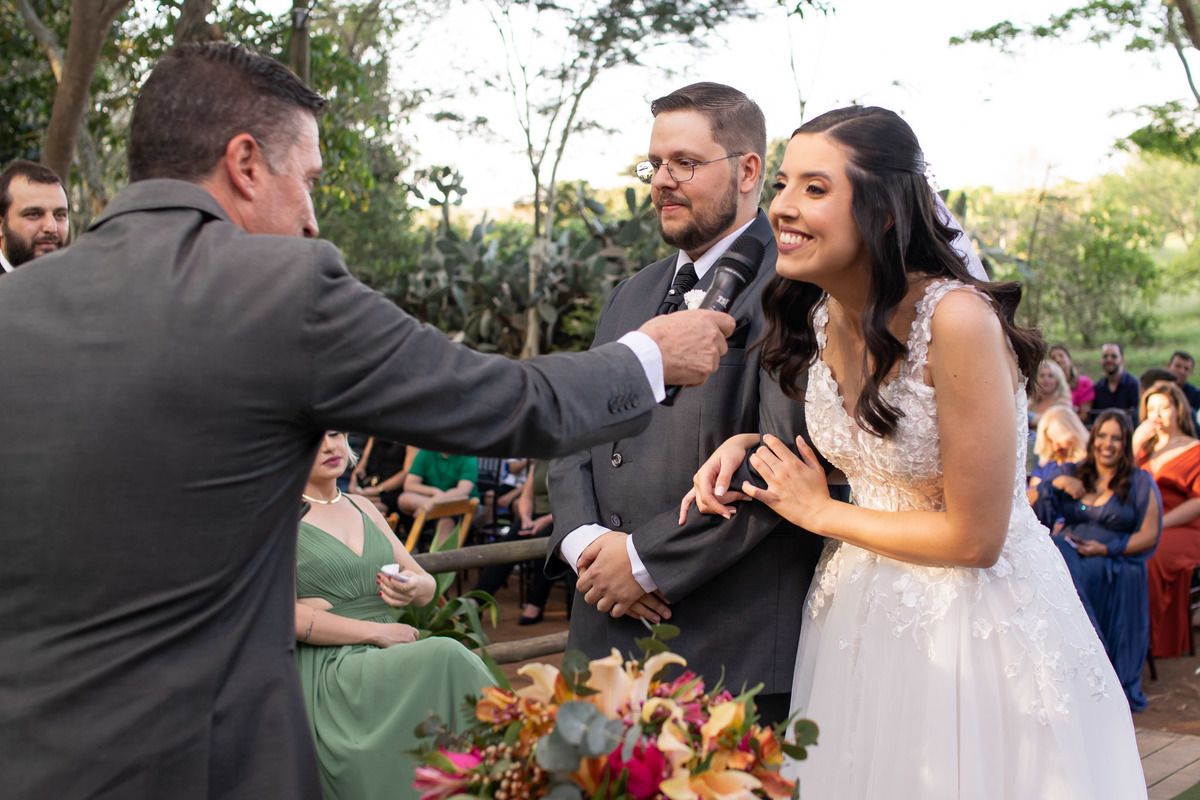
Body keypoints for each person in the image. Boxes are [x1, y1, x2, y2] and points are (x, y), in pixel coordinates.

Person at [0, 43, 735, 800]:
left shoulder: (14, 307)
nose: (312, 218)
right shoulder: (279, 287)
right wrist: (646, 356)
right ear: (246, 163)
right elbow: (499, 401)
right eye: (309, 181)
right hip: (209, 757)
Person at [687, 106, 1148, 798]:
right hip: (857, 615)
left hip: (968, 625)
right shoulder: (820, 314)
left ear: (885, 211)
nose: (782, 207)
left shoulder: (956, 320)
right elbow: (885, 453)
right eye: (783, 184)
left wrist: (820, 514)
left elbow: (975, 537)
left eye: (815, 188)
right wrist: (752, 446)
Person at [547, 82, 823, 725]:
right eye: (655, 165)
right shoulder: (627, 295)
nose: (662, 181)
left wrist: (643, 562)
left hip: (722, 646)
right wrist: (587, 545)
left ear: (749, 170)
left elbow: (784, 460)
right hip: (600, 631)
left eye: (685, 163)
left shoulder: (795, 289)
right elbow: (574, 433)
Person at [295, 431, 492, 800]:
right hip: (335, 665)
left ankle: (498, 772)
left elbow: (426, 584)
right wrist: (375, 633)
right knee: (446, 654)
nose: (329, 446)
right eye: (313, 437)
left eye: (335, 433)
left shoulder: (363, 507)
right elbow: (283, 615)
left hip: (393, 649)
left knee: (445, 664)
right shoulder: (280, 518)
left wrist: (414, 588)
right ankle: (522, 757)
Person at [1031, 411, 1161, 711]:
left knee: (1062, 566)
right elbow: (1025, 504)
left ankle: (1092, 660)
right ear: (1093, 439)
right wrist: (1057, 482)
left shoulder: (1140, 482)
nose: (1108, 444)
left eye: (1116, 438)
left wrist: (1106, 549)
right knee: (1056, 552)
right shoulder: (1075, 472)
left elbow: (1149, 534)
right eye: (1102, 436)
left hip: (1112, 561)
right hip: (1071, 553)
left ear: (1126, 443)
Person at [1133, 382, 1200, 659]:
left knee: (1150, 556)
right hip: (1140, 522)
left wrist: (1158, 523)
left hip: (1183, 525)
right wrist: (1134, 443)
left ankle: (1148, 639)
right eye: (1151, 408)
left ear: (1179, 409)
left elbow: (1198, 502)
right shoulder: (1142, 450)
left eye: (1164, 407)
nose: (1157, 413)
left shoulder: (1194, 448)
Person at [475, 459, 560, 625]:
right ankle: (477, 599)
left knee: (546, 540)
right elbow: (526, 496)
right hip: (535, 515)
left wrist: (543, 521)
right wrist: (526, 518)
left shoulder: (574, 457)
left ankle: (536, 603)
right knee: (507, 545)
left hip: (560, 517)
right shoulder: (539, 460)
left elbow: (574, 502)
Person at [0, 158, 69, 272]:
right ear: (1, 225)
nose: (51, 228)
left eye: (60, 215)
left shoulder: (82, 282)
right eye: (34, 214)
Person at [1027, 404, 1089, 490]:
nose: (1056, 447)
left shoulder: (1087, 462)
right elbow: (1032, 495)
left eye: (1060, 442)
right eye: (1050, 441)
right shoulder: (1046, 462)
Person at [1092, 342, 1141, 425]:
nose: (1109, 360)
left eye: (1113, 356)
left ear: (1122, 359)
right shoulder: (1098, 388)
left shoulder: (1134, 385)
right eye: (1105, 356)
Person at [1049, 343, 1094, 425]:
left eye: (1061, 356)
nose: (1057, 360)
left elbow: (1085, 416)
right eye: (1053, 358)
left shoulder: (1084, 383)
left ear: (1070, 360)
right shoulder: (1047, 385)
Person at [1028, 358, 1073, 429]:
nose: (1046, 379)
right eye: (1042, 375)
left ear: (1058, 380)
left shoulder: (1063, 404)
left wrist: (1028, 416)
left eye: (1050, 376)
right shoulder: (1030, 403)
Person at [1166, 350, 1200, 415]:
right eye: (1177, 366)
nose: (1182, 371)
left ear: (1191, 372)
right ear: (1168, 366)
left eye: (1186, 369)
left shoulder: (1196, 395)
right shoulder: (1156, 389)